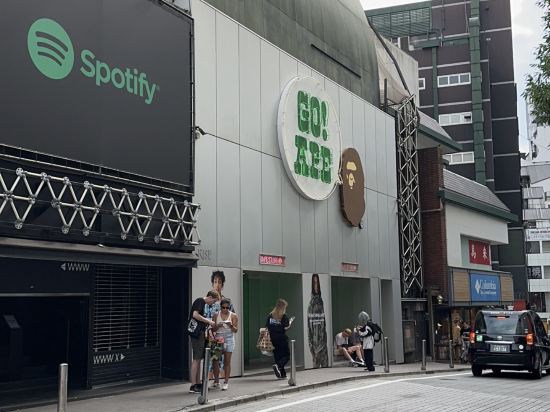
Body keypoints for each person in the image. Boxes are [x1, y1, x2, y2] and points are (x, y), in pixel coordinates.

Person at [188, 290, 218, 393]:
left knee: (199, 358)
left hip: (199, 334)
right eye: (213, 301)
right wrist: (208, 321)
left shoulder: (202, 303)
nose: (213, 303)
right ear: (210, 297)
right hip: (197, 334)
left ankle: (197, 383)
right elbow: (195, 315)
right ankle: (193, 385)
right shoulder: (200, 301)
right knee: (196, 359)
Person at [211, 298, 238, 390]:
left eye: (227, 308)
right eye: (223, 307)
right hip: (218, 338)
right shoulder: (216, 315)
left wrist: (231, 325)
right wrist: (218, 325)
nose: (225, 309)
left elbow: (236, 330)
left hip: (229, 338)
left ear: (230, 307)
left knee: (227, 361)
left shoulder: (233, 315)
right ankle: (216, 381)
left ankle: (226, 382)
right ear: (220, 307)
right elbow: (213, 329)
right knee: (215, 360)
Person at [266, 298, 294, 379]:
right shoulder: (283, 316)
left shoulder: (270, 315)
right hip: (281, 338)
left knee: (278, 356)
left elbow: (267, 326)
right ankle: (278, 366)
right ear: (283, 307)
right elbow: (286, 327)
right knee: (287, 355)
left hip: (273, 338)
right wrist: (290, 322)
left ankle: (282, 374)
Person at [307, 274, 328, 368]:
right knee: (315, 366)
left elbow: (324, 324)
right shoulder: (311, 304)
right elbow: (309, 326)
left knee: (325, 366)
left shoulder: (321, 302)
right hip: (315, 345)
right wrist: (311, 346)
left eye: (317, 283)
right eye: (314, 283)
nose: (316, 286)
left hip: (323, 344)